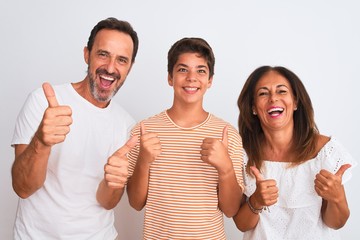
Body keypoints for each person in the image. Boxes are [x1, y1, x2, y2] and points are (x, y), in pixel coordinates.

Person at [10, 17, 139, 239]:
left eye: (121, 60)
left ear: (129, 67)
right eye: (103, 54)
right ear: (87, 54)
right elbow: (23, 187)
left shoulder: (127, 125)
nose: (110, 67)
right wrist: (41, 141)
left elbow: (106, 202)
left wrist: (114, 183)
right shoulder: (43, 101)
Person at [126, 37, 244, 239]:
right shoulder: (143, 131)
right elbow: (136, 203)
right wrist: (144, 161)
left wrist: (225, 168)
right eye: (182, 70)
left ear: (210, 80)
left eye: (201, 70)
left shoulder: (227, 133)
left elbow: (231, 210)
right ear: (170, 78)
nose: (191, 77)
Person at [233, 65, 357, 239]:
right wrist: (256, 202)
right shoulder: (241, 153)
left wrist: (337, 198)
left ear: (296, 101)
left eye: (281, 91)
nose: (273, 98)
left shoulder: (325, 151)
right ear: (253, 107)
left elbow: (335, 223)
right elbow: (241, 224)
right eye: (263, 93)